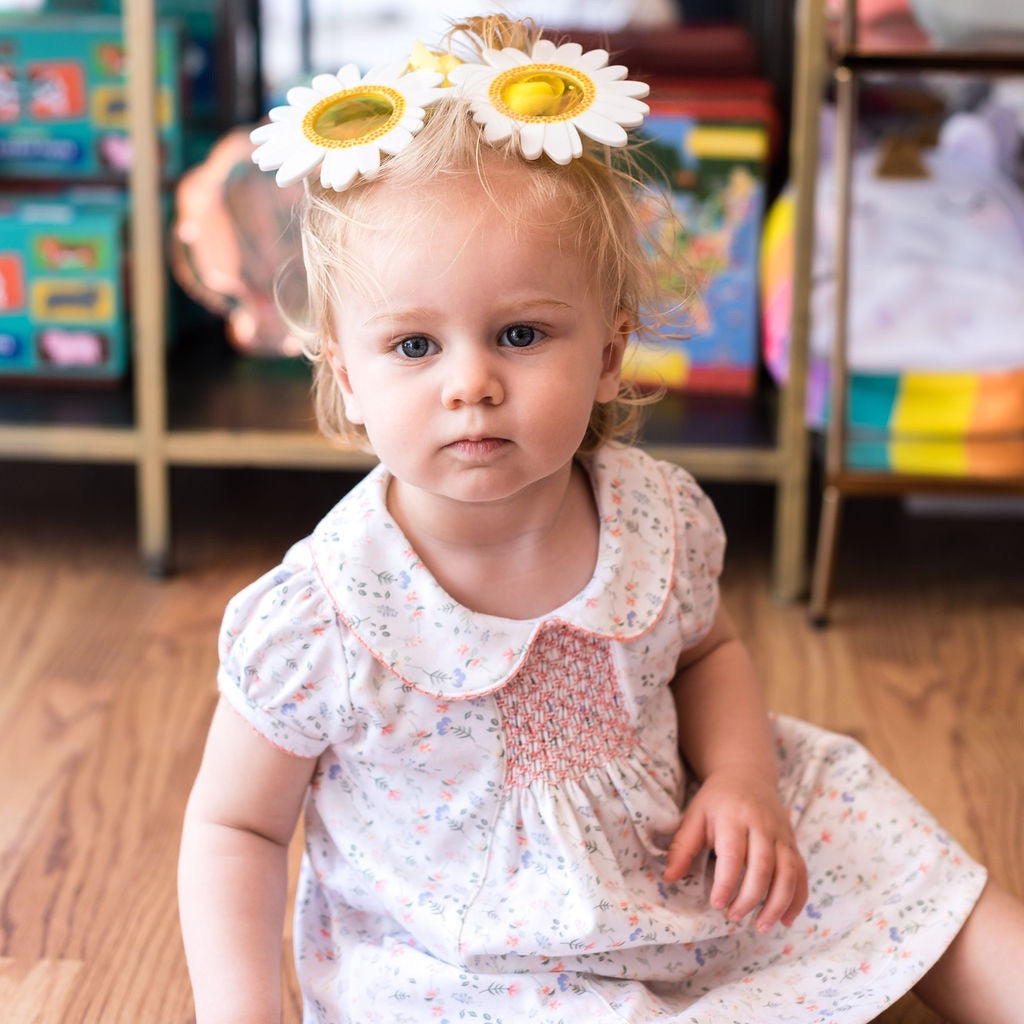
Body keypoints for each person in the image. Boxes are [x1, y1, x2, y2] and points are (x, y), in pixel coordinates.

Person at [178, 14, 1024, 1024]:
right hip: (475, 950)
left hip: (676, 854)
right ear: (347, 376)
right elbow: (236, 828)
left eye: (520, 334)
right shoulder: (322, 618)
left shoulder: (651, 514)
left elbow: (707, 652)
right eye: (414, 347)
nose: (471, 384)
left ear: (611, 353)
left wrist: (741, 779)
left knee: (867, 828)